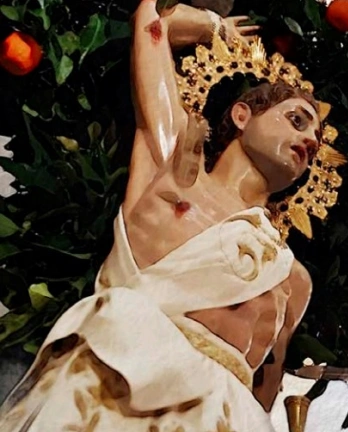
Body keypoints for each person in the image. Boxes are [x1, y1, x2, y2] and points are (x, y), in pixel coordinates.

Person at [0, 1, 320, 430]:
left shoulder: (292, 279)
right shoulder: (174, 167)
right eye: (296, 120)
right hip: (113, 393)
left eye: (315, 139)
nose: (309, 139)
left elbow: (264, 397)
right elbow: (154, 21)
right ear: (242, 115)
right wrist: (214, 28)